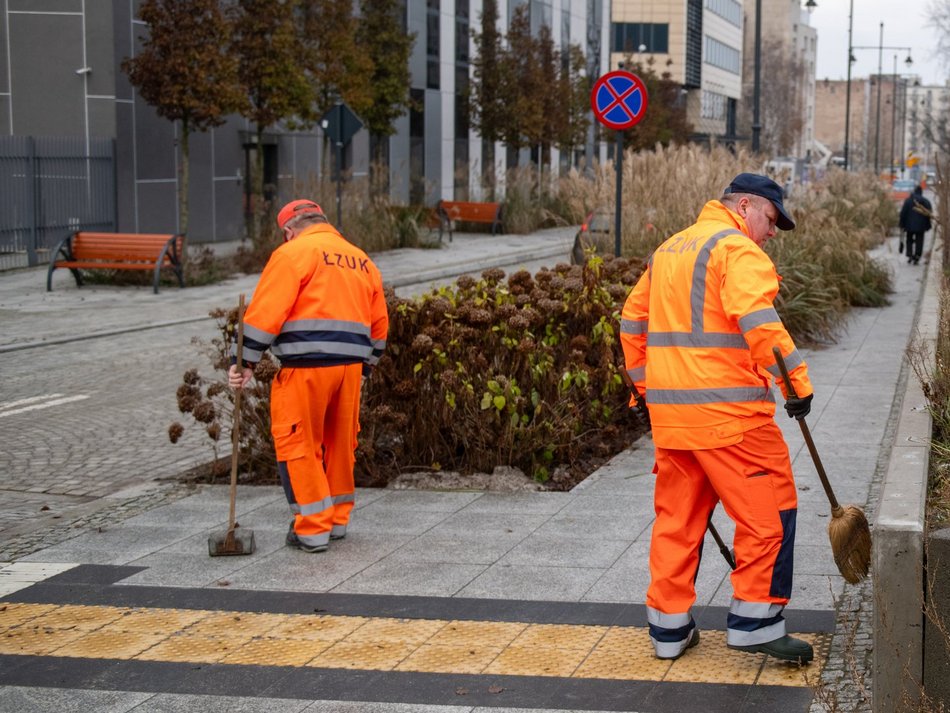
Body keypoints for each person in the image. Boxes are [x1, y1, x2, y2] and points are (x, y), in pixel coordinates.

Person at [620, 173, 815, 664]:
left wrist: (648, 392)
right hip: (733, 421)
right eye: (771, 219)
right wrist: (797, 384)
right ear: (745, 205)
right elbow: (756, 318)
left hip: (674, 422)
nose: (771, 232)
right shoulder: (736, 249)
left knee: (677, 522)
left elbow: (631, 321)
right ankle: (756, 620)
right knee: (770, 512)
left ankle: (668, 631)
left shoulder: (669, 250)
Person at [228, 200, 389, 553]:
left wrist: (243, 362)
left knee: (298, 444)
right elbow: (379, 327)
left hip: (305, 369)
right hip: (349, 372)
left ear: (288, 231)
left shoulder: (293, 254)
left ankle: (312, 529)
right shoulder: (361, 258)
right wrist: (368, 365)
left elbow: (265, 313)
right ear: (323, 222)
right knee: (339, 446)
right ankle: (336, 523)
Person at [899, 184, 933, 265]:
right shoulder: (925, 201)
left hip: (909, 225)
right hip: (921, 226)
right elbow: (929, 214)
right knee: (919, 241)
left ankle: (910, 254)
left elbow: (903, 213)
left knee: (909, 239)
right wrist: (928, 225)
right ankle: (917, 256)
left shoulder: (908, 201)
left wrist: (902, 224)